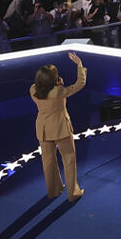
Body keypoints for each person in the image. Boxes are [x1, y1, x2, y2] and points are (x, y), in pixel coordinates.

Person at [31, 51, 87, 202]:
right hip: (61, 129)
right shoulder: (58, 91)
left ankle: (54, 190)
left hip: (43, 130)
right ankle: (73, 193)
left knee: (48, 161)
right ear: (54, 79)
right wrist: (79, 64)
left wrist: (56, 84)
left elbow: (42, 88)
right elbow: (79, 84)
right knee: (69, 159)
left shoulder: (33, 90)